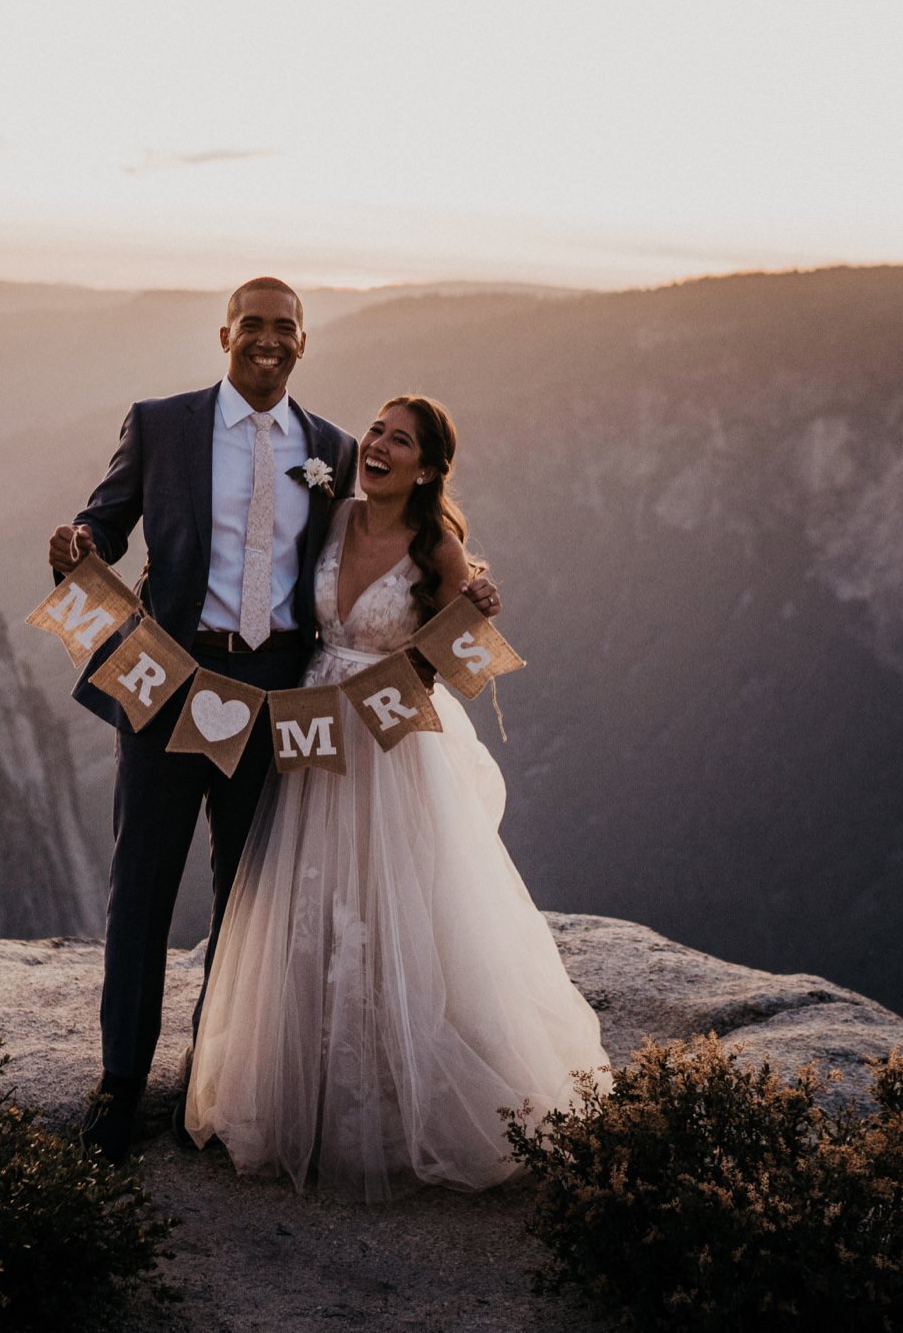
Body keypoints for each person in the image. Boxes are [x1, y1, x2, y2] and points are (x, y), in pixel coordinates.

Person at [183, 395, 610, 1200]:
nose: (377, 445)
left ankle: (394, 1095)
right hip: (311, 730)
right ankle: (296, 1087)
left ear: (428, 468)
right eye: (376, 431)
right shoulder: (330, 516)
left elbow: (457, 661)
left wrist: (476, 608)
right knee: (307, 899)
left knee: (395, 904)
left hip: (392, 739)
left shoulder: (439, 548)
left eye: (400, 440)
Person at [48, 277, 377, 1162]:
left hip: (274, 695)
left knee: (246, 901)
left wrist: (468, 583)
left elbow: (382, 549)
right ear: (223, 333)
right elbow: (107, 521)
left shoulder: (333, 449)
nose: (267, 341)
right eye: (252, 326)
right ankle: (121, 1088)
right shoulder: (162, 424)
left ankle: (211, 1083)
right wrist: (81, 539)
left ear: (303, 343)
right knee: (142, 891)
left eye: (285, 329)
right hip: (168, 681)